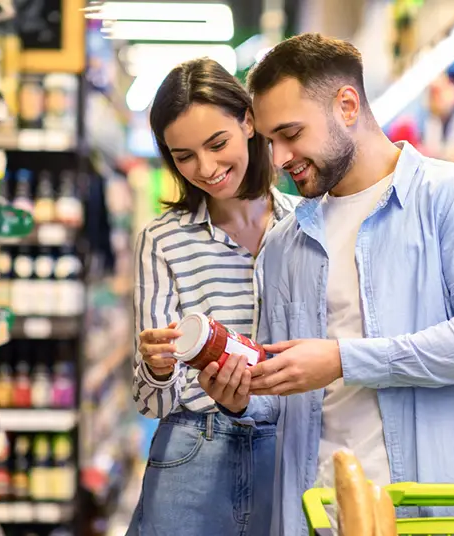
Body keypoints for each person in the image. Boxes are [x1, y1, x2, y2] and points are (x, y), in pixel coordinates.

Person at [198, 33, 454, 536]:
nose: (280, 156)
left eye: (291, 133)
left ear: (347, 105)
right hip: (320, 515)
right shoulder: (285, 245)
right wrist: (240, 394)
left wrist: (342, 359)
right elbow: (286, 397)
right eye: (268, 140)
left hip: (439, 514)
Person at [127, 58, 296, 536]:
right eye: (183, 155)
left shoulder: (305, 226)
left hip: (288, 451)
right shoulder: (162, 240)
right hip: (192, 453)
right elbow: (150, 404)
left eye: (217, 143)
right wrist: (158, 369)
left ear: (248, 120)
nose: (206, 168)